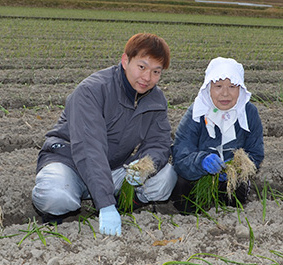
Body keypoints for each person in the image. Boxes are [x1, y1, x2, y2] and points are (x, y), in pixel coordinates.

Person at [32, 33, 177, 237]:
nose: (147, 78)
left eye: (156, 71)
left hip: (113, 167)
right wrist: (105, 204)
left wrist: (144, 166)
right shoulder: (92, 91)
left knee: (165, 177)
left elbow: (159, 142)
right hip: (70, 162)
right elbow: (89, 149)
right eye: (142, 67)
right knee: (55, 196)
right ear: (125, 60)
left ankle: (125, 204)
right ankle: (62, 211)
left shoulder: (156, 99)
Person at [170, 57, 264, 213]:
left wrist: (236, 168)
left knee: (237, 191)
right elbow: (181, 155)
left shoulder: (249, 113)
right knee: (182, 185)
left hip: (230, 179)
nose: (225, 93)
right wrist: (201, 162)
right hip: (197, 178)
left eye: (232, 86)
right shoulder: (196, 112)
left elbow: (256, 153)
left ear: (240, 89)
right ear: (209, 88)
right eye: (218, 86)